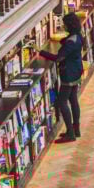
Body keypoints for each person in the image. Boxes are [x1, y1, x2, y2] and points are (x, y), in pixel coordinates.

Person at [37, 12, 84, 144]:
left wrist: (41, 52)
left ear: (70, 25)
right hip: (76, 71)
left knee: (62, 102)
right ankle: (76, 129)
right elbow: (69, 42)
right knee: (73, 100)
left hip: (68, 74)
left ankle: (70, 133)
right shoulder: (77, 36)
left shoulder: (71, 42)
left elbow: (59, 58)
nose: (64, 26)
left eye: (65, 24)